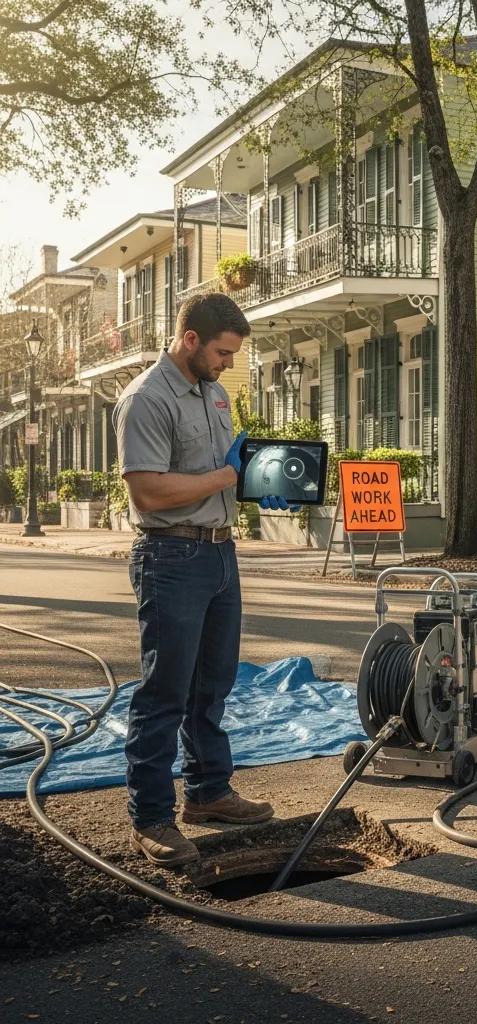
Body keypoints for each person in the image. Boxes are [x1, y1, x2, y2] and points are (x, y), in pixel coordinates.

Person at [113, 292, 298, 867]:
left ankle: (209, 793)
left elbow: (222, 472)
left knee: (213, 684)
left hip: (220, 555)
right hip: (170, 557)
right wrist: (226, 472)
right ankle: (150, 818)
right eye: (222, 352)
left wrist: (255, 480)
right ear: (190, 339)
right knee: (164, 691)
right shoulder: (144, 399)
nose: (227, 364)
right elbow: (147, 490)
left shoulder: (215, 393)